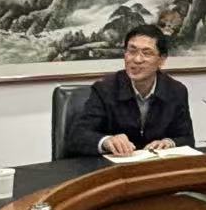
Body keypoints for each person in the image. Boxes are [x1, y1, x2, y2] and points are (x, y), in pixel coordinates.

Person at [63, 24, 195, 156]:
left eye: (146, 53)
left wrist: (169, 143)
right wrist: (106, 141)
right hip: (116, 165)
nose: (137, 59)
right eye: (132, 51)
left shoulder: (176, 91)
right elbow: (78, 136)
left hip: (155, 165)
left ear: (161, 60)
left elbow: (187, 138)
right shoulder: (105, 89)